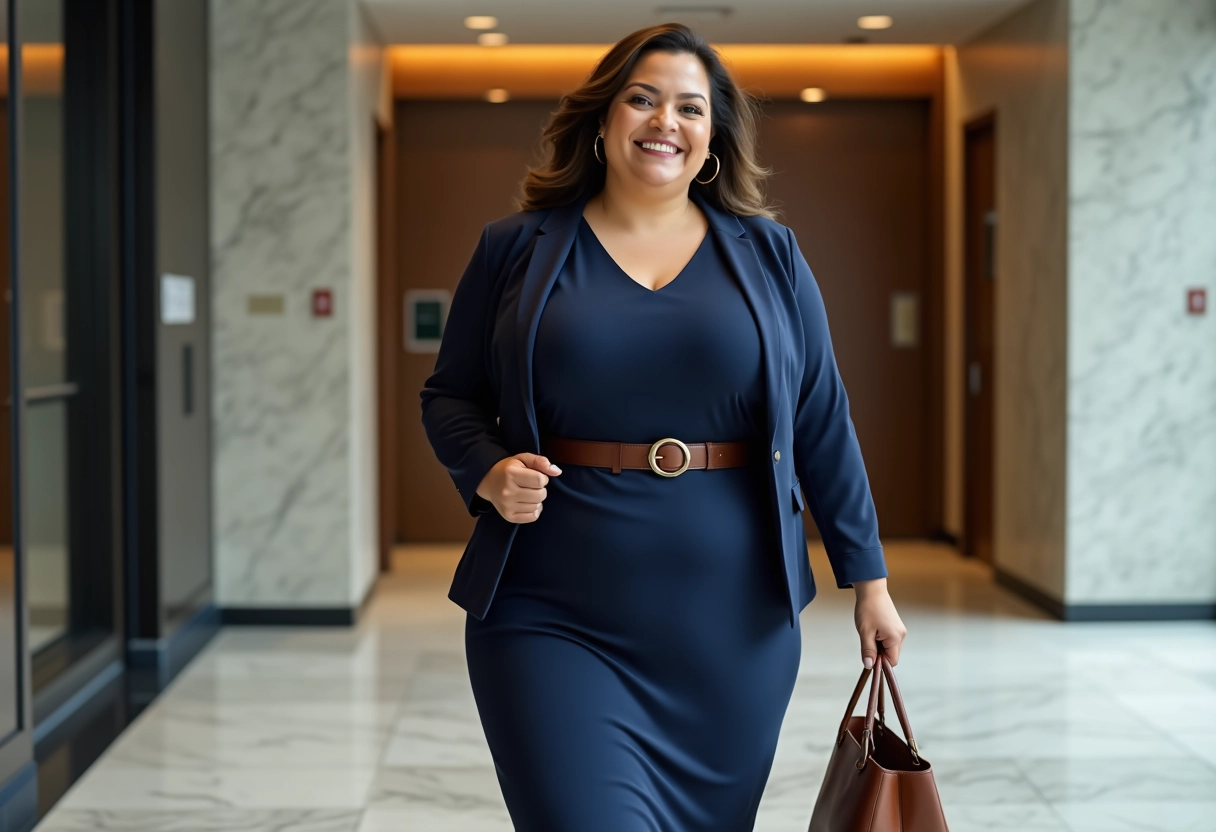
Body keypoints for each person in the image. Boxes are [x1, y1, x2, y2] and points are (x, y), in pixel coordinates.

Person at [420, 22, 907, 832]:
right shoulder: (516, 249)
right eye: (641, 99)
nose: (664, 122)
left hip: (733, 626)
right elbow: (450, 397)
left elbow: (821, 418)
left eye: (689, 107)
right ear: (603, 120)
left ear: (712, 136)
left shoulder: (771, 255)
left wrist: (872, 582)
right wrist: (486, 469)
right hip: (549, 612)